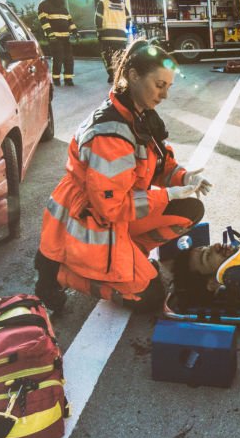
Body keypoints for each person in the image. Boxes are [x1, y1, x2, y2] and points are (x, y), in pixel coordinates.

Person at [34, 40, 213, 312]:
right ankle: (59, 272)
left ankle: (128, 253)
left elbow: (159, 165)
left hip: (115, 216)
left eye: (168, 87)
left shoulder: (138, 115)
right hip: (90, 222)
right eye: (159, 85)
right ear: (133, 76)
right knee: (151, 298)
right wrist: (166, 195)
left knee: (189, 208)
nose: (164, 95)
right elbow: (111, 207)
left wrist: (184, 178)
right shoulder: (111, 134)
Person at [37, 0, 78, 86]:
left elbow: (69, 20)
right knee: (58, 58)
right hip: (55, 37)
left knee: (69, 58)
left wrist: (75, 31)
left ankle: (68, 79)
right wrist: (50, 35)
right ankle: (56, 79)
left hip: (65, 36)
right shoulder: (44, 5)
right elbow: (44, 21)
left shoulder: (62, 6)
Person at [95, 0, 128, 84]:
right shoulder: (122, 5)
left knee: (108, 56)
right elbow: (129, 19)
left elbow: (98, 19)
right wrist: (124, 30)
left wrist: (99, 33)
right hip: (121, 37)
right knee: (120, 56)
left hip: (107, 36)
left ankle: (112, 75)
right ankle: (119, 75)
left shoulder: (103, 3)